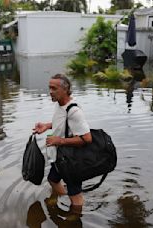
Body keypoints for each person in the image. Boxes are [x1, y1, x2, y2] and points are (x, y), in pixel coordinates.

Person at [33, 74, 92, 210]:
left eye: (54, 88)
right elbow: (62, 123)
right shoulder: (60, 105)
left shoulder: (74, 111)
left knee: (75, 195)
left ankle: (76, 215)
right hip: (60, 157)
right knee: (53, 180)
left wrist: (59, 140)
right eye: (49, 88)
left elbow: (87, 138)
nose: (50, 92)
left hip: (72, 160)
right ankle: (63, 197)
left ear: (65, 90)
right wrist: (47, 126)